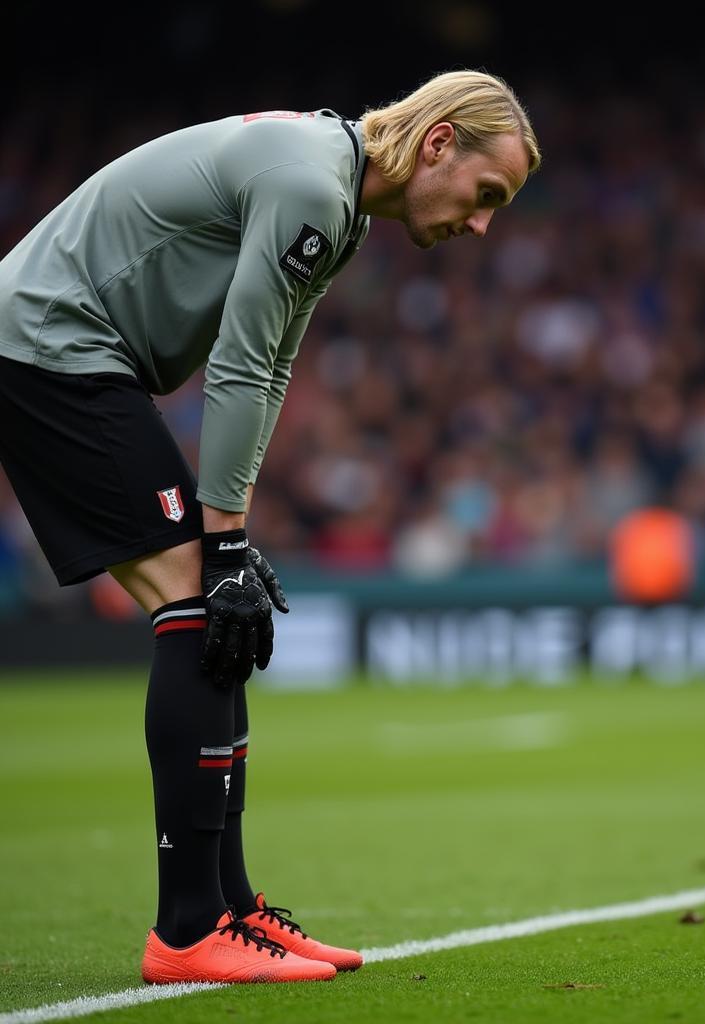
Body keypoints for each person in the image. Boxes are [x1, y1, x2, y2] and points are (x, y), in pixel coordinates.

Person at [0, 70, 540, 985]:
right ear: (440, 143)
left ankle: (231, 906)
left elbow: (272, 368)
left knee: (216, 613)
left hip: (73, 351)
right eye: (488, 196)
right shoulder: (311, 186)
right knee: (196, 601)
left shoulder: (341, 203)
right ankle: (186, 929)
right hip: (50, 343)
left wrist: (231, 547)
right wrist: (228, 547)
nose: (482, 225)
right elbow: (241, 369)